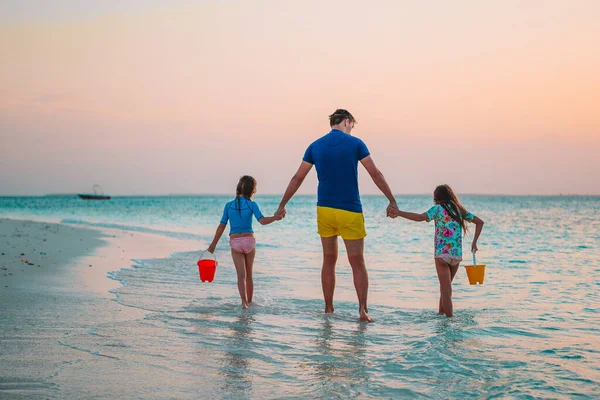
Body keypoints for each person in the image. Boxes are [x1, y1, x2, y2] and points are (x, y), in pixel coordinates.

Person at [275, 109, 399, 322]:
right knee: (357, 261)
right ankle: (362, 311)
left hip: (324, 210)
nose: (351, 129)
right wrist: (392, 200)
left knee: (328, 260)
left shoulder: (315, 146)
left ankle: (329, 309)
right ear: (347, 122)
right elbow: (375, 173)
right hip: (349, 209)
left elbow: (297, 178)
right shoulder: (356, 144)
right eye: (351, 125)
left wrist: (281, 206)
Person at [390, 184, 484, 317]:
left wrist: (399, 213)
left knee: (446, 291)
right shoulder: (459, 210)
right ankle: (440, 315)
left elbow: (420, 217)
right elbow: (480, 222)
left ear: (437, 198)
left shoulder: (437, 209)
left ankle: (449, 321)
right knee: (445, 289)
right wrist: (474, 243)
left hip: (442, 255)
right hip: (456, 256)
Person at [208, 175, 283, 309]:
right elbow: (262, 221)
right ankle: (250, 301)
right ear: (252, 191)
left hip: (235, 242)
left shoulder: (229, 205)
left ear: (238, 188)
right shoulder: (252, 204)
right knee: (249, 275)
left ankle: (243, 303)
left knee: (241, 276)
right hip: (249, 242)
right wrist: (275, 218)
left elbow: (221, 226)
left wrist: (213, 245)